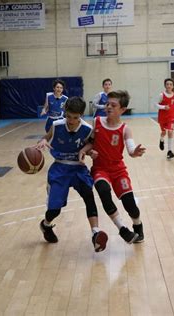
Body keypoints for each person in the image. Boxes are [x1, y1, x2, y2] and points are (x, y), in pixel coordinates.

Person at [36, 96, 108, 252]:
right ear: (65, 112)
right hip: (59, 169)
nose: (71, 120)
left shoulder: (87, 129)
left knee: (89, 195)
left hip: (78, 168)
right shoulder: (56, 125)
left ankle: (95, 233)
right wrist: (42, 141)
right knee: (55, 210)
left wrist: (89, 151)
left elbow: (90, 143)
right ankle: (46, 225)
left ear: (81, 115)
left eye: (75, 117)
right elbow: (46, 137)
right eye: (68, 116)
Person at [83, 90, 146, 244]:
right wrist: (89, 151)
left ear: (122, 110)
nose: (108, 107)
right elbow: (89, 142)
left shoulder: (125, 129)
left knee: (130, 204)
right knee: (104, 192)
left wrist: (135, 152)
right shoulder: (97, 121)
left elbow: (130, 150)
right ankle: (122, 229)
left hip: (118, 170)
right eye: (107, 104)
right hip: (100, 169)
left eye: (113, 105)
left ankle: (138, 226)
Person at [156, 78, 174, 159]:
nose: (169, 86)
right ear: (165, 85)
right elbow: (155, 104)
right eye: (167, 84)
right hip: (162, 117)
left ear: (173, 86)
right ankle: (161, 140)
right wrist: (163, 107)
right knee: (163, 132)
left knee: (170, 132)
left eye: (170, 84)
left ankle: (169, 151)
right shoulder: (161, 95)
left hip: (171, 116)